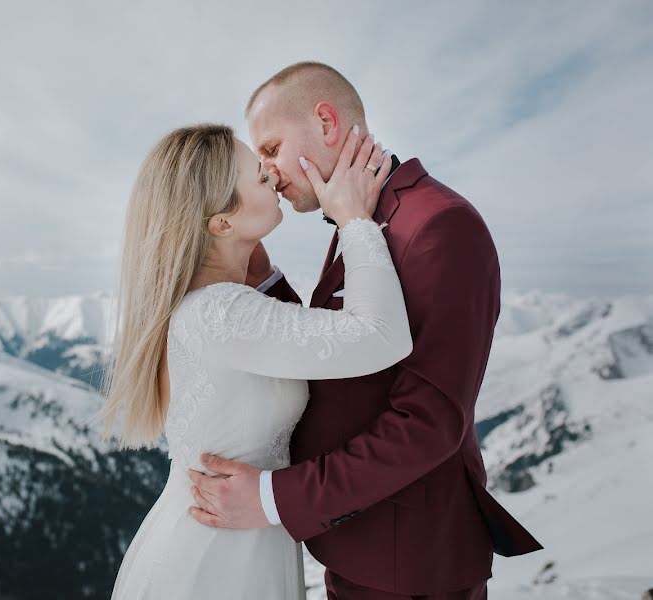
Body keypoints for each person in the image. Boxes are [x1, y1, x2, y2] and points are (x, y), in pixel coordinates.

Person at [187, 62, 543, 600]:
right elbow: (344, 357)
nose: (267, 171)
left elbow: (429, 421)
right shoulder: (363, 214)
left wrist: (273, 497)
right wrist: (266, 283)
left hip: (410, 565)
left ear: (326, 121)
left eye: (270, 148)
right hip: (360, 544)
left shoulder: (436, 226)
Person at [97, 122, 411, 599]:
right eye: (258, 176)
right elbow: (379, 336)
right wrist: (354, 220)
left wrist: (262, 273)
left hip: (228, 540)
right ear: (221, 223)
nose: (272, 172)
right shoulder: (222, 312)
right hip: (218, 562)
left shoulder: (211, 305)